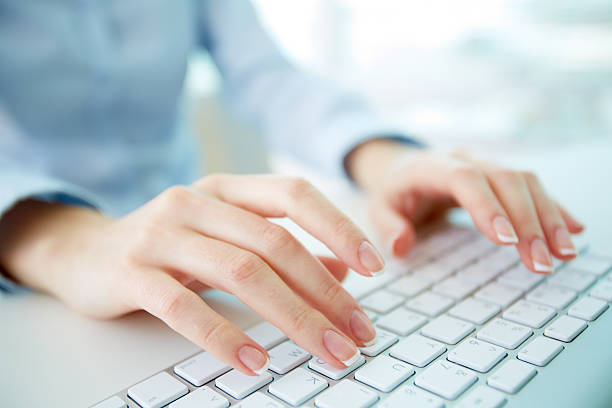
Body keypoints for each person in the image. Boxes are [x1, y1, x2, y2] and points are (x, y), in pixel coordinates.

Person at [0, 1, 583, 377]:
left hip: (205, 266)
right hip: (35, 287)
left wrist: (384, 157)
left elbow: (267, 74)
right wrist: (56, 240)